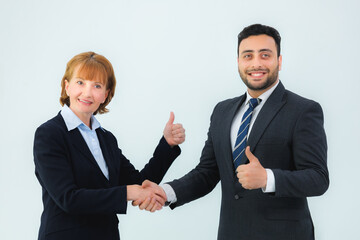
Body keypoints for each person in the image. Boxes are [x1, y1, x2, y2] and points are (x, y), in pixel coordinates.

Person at [135, 24, 329, 239]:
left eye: (265, 55)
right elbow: (207, 172)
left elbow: (318, 178)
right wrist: (166, 192)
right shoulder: (222, 111)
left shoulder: (303, 110)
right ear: (238, 62)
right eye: (248, 56)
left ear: (279, 61)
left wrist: (267, 178)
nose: (256, 63)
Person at [33, 51, 185, 240]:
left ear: (105, 95)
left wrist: (167, 144)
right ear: (67, 86)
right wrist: (129, 192)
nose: (87, 92)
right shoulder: (49, 134)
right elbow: (68, 198)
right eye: (80, 82)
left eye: (97, 86)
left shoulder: (106, 139)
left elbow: (138, 182)